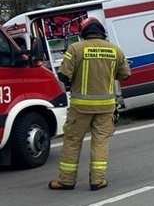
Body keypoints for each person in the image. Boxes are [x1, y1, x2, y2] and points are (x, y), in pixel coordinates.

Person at [49, 17, 131, 191]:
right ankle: (97, 180)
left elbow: (63, 75)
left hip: (81, 107)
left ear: (83, 33)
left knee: (72, 141)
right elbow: (125, 75)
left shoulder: (75, 48)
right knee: (100, 142)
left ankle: (66, 181)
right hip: (106, 106)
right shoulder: (115, 50)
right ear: (102, 31)